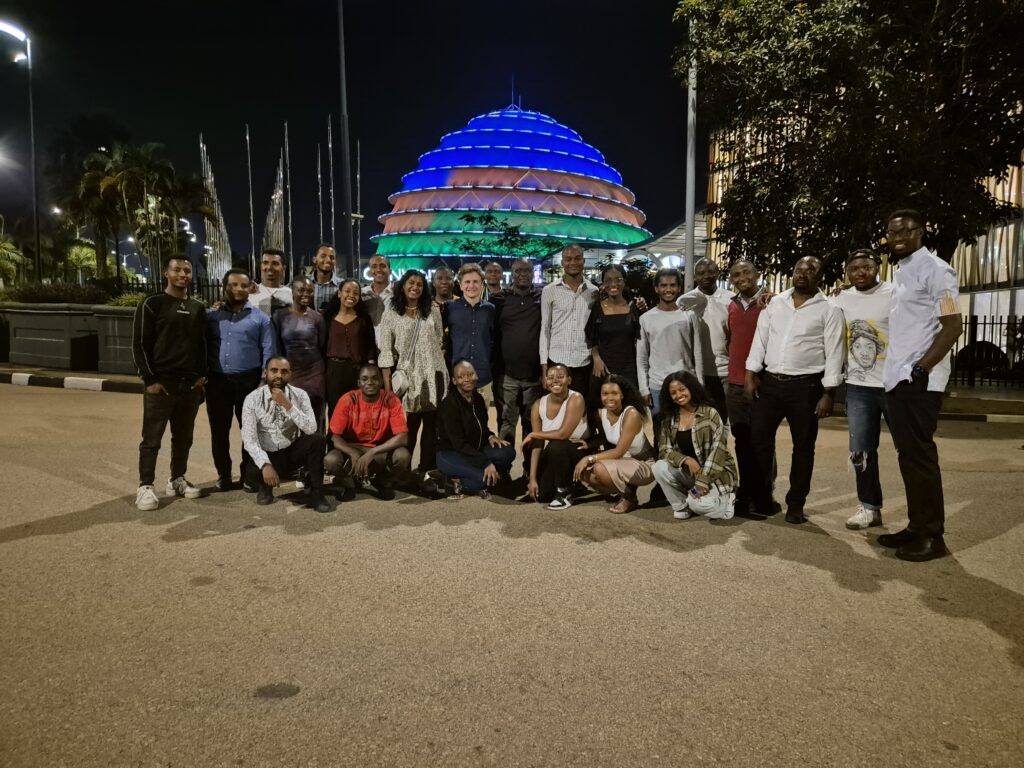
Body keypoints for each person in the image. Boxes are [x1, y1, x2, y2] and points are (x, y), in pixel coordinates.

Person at [878, 210, 962, 561]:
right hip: (898, 377)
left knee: (921, 456)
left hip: (919, 379)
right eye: (892, 232)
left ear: (921, 231)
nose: (898, 237)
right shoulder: (902, 272)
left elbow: (953, 325)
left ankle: (932, 536)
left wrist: (921, 368)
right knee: (908, 456)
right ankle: (916, 526)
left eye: (906, 230)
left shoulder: (937, 270)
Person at [745, 256, 845, 523]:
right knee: (758, 439)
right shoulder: (775, 303)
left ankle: (796, 504)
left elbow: (835, 352)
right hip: (771, 383)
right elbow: (760, 339)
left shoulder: (830, 309)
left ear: (820, 277)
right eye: (799, 269)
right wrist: (750, 374)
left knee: (803, 447)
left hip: (806, 387)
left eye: (810, 270)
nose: (803, 273)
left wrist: (829, 393)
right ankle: (762, 497)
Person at [132, 256, 208, 511]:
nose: (183, 274)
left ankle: (177, 478)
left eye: (187, 270)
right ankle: (145, 486)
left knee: (183, 437)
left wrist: (202, 376)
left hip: (189, 385)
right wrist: (149, 379)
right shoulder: (152, 304)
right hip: (161, 384)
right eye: (177, 270)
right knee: (152, 439)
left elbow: (202, 344)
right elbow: (140, 344)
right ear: (166, 273)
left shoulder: (197, 307)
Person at [831, 249, 895, 530]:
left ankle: (918, 514)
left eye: (866, 267)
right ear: (847, 272)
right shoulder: (841, 298)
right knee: (861, 450)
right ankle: (869, 507)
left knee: (908, 450)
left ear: (877, 267)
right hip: (858, 387)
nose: (860, 272)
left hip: (893, 384)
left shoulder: (894, 294)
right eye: (854, 268)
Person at [205, 268, 275, 492]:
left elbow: (268, 351)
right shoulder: (211, 317)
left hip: (249, 381)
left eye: (243, 285)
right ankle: (223, 475)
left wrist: (263, 381)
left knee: (250, 432)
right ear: (224, 286)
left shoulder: (261, 319)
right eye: (234, 284)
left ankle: (248, 475)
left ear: (250, 288)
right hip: (217, 382)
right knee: (219, 432)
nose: (238, 289)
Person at [378, 269, 448, 477]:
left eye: (419, 284)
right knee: (408, 427)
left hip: (434, 375)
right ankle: (403, 473)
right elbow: (386, 351)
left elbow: (439, 339)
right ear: (402, 286)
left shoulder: (432, 310)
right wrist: (388, 388)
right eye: (411, 283)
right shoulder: (391, 313)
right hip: (408, 379)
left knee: (431, 427)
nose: (415, 287)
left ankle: (425, 470)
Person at [240, 356, 332, 512]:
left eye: (284, 372)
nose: (279, 375)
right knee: (252, 468)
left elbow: (311, 428)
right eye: (274, 371)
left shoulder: (300, 395)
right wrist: (265, 465)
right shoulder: (252, 399)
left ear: (290, 375)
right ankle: (264, 487)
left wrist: (288, 405)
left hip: (290, 453)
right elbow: (249, 439)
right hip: (267, 455)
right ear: (265, 373)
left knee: (317, 440)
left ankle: (317, 493)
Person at [726, 259, 776, 519]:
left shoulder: (773, 302)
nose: (741, 277)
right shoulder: (731, 305)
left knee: (763, 442)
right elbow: (730, 339)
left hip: (764, 383)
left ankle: (764, 493)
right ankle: (746, 490)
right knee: (742, 441)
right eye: (736, 274)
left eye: (747, 272)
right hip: (735, 383)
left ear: (757, 275)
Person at [652, 371, 738, 520]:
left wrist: (702, 482)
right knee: (658, 467)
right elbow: (664, 450)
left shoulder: (709, 413)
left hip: (715, 475)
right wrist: (686, 460)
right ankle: (682, 506)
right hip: (691, 474)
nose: (678, 395)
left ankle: (728, 497)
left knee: (699, 505)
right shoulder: (669, 418)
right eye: (673, 392)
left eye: (682, 389)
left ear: (691, 388)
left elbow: (718, 450)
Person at [324, 364, 411, 501]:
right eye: (364, 379)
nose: (370, 382)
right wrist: (352, 452)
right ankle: (350, 485)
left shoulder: (391, 400)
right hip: (353, 449)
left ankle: (383, 482)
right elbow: (334, 437)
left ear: (381, 382)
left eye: (374, 378)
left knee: (403, 456)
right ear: (359, 383)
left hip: (380, 451)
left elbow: (403, 437)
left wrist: (373, 452)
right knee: (331, 460)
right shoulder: (348, 399)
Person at [573, 375, 654, 514]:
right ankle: (624, 488)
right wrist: (589, 444)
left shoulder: (631, 414)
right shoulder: (601, 413)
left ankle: (629, 498)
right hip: (623, 462)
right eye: (605, 394)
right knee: (584, 474)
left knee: (599, 468)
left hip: (644, 463)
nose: (609, 398)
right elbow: (605, 437)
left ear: (622, 395)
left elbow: (618, 451)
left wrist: (588, 458)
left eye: (614, 393)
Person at [436, 361, 516, 497]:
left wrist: (491, 436)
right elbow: (459, 444)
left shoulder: (477, 398)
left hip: (473, 450)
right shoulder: (449, 404)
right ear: (454, 381)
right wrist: (486, 463)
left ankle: (489, 474)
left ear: (476, 376)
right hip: (451, 454)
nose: (467, 379)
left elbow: (482, 427)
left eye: (470, 374)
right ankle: (452, 480)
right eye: (461, 377)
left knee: (507, 452)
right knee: (482, 480)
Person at [491, 258, 544, 458]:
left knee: (532, 424)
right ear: (511, 273)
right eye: (518, 270)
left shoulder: (542, 297)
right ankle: (504, 467)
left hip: (534, 374)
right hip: (506, 374)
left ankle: (529, 469)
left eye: (527, 270)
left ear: (533, 272)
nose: (523, 274)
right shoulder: (499, 300)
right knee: (506, 424)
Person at [637, 268, 704, 419]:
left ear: (679, 288)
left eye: (673, 285)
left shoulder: (689, 316)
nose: (668, 289)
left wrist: (700, 383)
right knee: (660, 429)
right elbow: (641, 358)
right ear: (656, 288)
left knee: (687, 428)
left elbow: (698, 353)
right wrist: (643, 388)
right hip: (657, 386)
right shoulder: (646, 319)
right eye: (663, 285)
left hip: (686, 384)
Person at [525, 364, 591, 509]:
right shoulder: (538, 405)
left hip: (580, 450)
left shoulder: (576, 398)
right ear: (545, 381)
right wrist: (532, 478)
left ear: (569, 380)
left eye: (561, 377)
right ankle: (575, 485)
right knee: (542, 495)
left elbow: (563, 434)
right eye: (550, 377)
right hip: (557, 454)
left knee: (556, 445)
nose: (555, 380)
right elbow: (538, 444)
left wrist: (533, 434)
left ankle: (564, 491)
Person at [678, 258, 733, 417]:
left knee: (726, 417)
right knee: (701, 418)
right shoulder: (684, 301)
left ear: (718, 273)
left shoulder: (731, 299)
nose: (706, 276)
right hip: (697, 372)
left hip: (725, 370)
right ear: (695, 276)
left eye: (711, 272)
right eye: (701, 273)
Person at [540, 244, 598, 395]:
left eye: (577, 258)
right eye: (568, 259)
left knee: (581, 407)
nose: (573, 262)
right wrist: (544, 366)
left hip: (584, 362)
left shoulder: (594, 291)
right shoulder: (549, 290)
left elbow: (597, 329)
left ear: (584, 261)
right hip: (556, 360)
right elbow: (545, 329)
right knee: (556, 406)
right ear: (562, 262)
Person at [273, 277, 327, 429]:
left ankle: (317, 444)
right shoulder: (279, 316)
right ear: (293, 292)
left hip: (315, 374)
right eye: (301, 290)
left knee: (316, 418)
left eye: (310, 291)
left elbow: (322, 347)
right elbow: (277, 348)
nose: (306, 294)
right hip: (291, 374)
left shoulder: (317, 318)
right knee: (290, 418)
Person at [322, 279, 378, 424]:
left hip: (357, 371)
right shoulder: (328, 318)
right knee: (335, 412)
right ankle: (334, 439)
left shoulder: (363, 319)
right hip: (333, 372)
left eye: (356, 293)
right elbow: (321, 346)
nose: (351, 295)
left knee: (357, 412)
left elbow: (370, 346)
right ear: (339, 294)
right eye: (347, 291)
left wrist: (370, 371)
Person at [443, 263, 497, 407]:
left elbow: (494, 340)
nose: (471, 286)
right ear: (460, 285)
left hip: (482, 377)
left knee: (482, 419)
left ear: (482, 284)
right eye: (467, 282)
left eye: (475, 281)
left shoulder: (491, 310)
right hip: (457, 379)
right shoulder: (449, 308)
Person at [587, 263, 642, 394]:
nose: (613, 284)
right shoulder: (597, 308)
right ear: (603, 283)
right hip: (603, 368)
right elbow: (591, 338)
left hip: (629, 368)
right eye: (608, 280)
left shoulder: (634, 307)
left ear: (624, 282)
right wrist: (596, 358)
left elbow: (641, 339)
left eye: (618, 279)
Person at [362, 254, 394, 345]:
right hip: (366, 348)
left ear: (390, 271)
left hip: (391, 348)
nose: (378, 269)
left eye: (383, 266)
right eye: (374, 266)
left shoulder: (398, 294)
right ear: (370, 271)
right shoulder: (361, 294)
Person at [252, 249, 293, 316]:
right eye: (265, 263)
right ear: (261, 266)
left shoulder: (291, 294)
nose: (269, 267)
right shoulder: (250, 293)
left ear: (284, 268)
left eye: (275, 263)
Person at [310, 243, 340, 313]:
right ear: (314, 259)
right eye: (323, 256)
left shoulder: (343, 286)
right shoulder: (301, 284)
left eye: (332, 257)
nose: (328, 260)